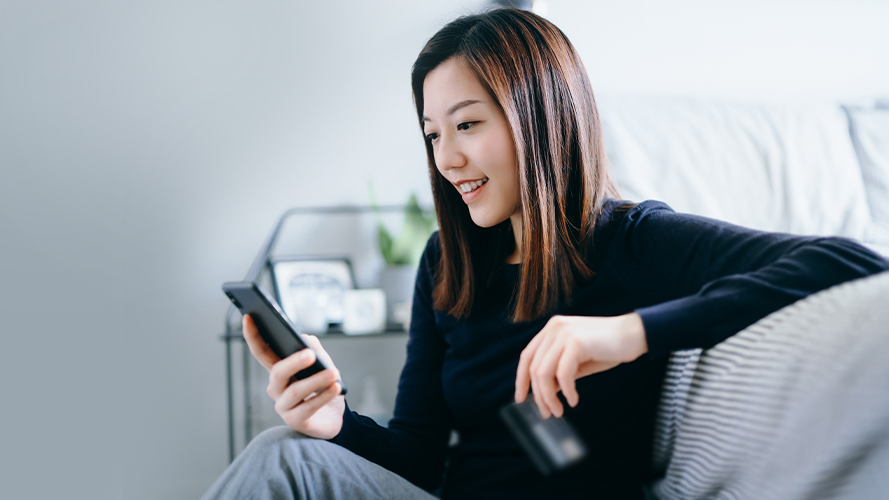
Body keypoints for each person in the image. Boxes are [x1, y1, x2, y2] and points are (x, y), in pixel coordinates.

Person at [202, 8, 889, 500]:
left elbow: (849, 263)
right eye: (433, 134)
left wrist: (628, 333)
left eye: (467, 125)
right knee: (284, 452)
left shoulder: (630, 240)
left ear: (540, 116)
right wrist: (335, 424)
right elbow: (417, 453)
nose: (448, 159)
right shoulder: (448, 262)